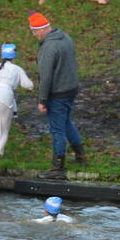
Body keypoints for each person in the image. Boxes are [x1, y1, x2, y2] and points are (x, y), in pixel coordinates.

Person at [32, 12, 85, 178]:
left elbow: (45, 76)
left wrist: (42, 99)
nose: (34, 36)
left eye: (34, 32)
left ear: (41, 30)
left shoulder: (49, 47)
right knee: (66, 122)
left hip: (58, 93)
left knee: (57, 130)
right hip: (71, 88)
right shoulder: (65, 37)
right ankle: (80, 155)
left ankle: (57, 169)